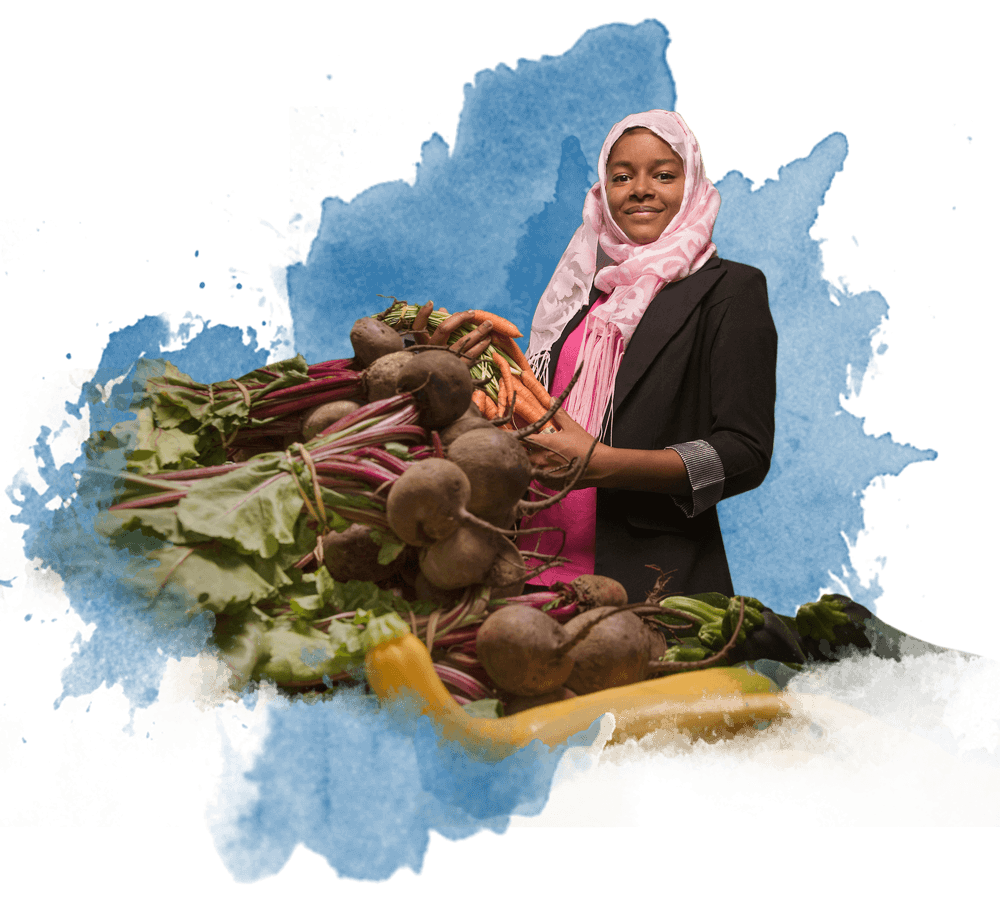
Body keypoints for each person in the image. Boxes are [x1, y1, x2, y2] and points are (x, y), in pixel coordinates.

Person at [518, 109, 777, 604]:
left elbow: (745, 454)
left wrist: (606, 464)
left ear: (694, 184)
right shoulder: (578, 303)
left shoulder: (730, 289)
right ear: (602, 193)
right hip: (527, 575)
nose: (639, 189)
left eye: (663, 173)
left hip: (646, 582)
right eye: (621, 176)